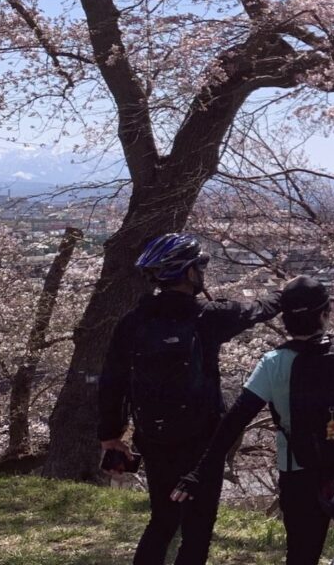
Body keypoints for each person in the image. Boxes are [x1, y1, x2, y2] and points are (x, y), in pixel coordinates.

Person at [98, 233, 282, 565]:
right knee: (198, 527)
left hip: (153, 436)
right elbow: (259, 309)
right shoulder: (209, 316)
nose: (203, 271)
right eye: (200, 265)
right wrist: (287, 293)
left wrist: (111, 434)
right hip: (203, 439)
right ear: (188, 272)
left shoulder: (133, 322)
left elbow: (112, 380)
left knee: (163, 519)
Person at [170, 275, 334, 564]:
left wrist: (199, 472)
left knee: (301, 554)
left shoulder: (273, 363)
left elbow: (234, 421)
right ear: (324, 314)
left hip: (297, 470)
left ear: (285, 320)